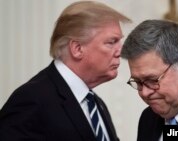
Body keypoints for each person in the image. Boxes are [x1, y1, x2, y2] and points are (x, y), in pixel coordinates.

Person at [0, 1, 131, 141]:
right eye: (111, 42)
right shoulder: (31, 100)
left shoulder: (95, 103)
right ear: (77, 49)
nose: (120, 51)